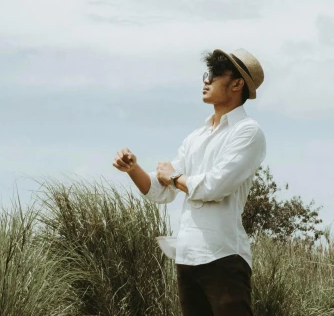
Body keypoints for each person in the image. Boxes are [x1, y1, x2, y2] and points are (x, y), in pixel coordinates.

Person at [113, 47, 266, 316]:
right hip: (187, 257)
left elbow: (214, 186)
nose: (206, 81)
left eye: (216, 74)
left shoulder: (248, 132)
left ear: (237, 83)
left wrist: (173, 177)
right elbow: (163, 191)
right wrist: (133, 169)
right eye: (207, 74)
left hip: (225, 256)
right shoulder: (196, 137)